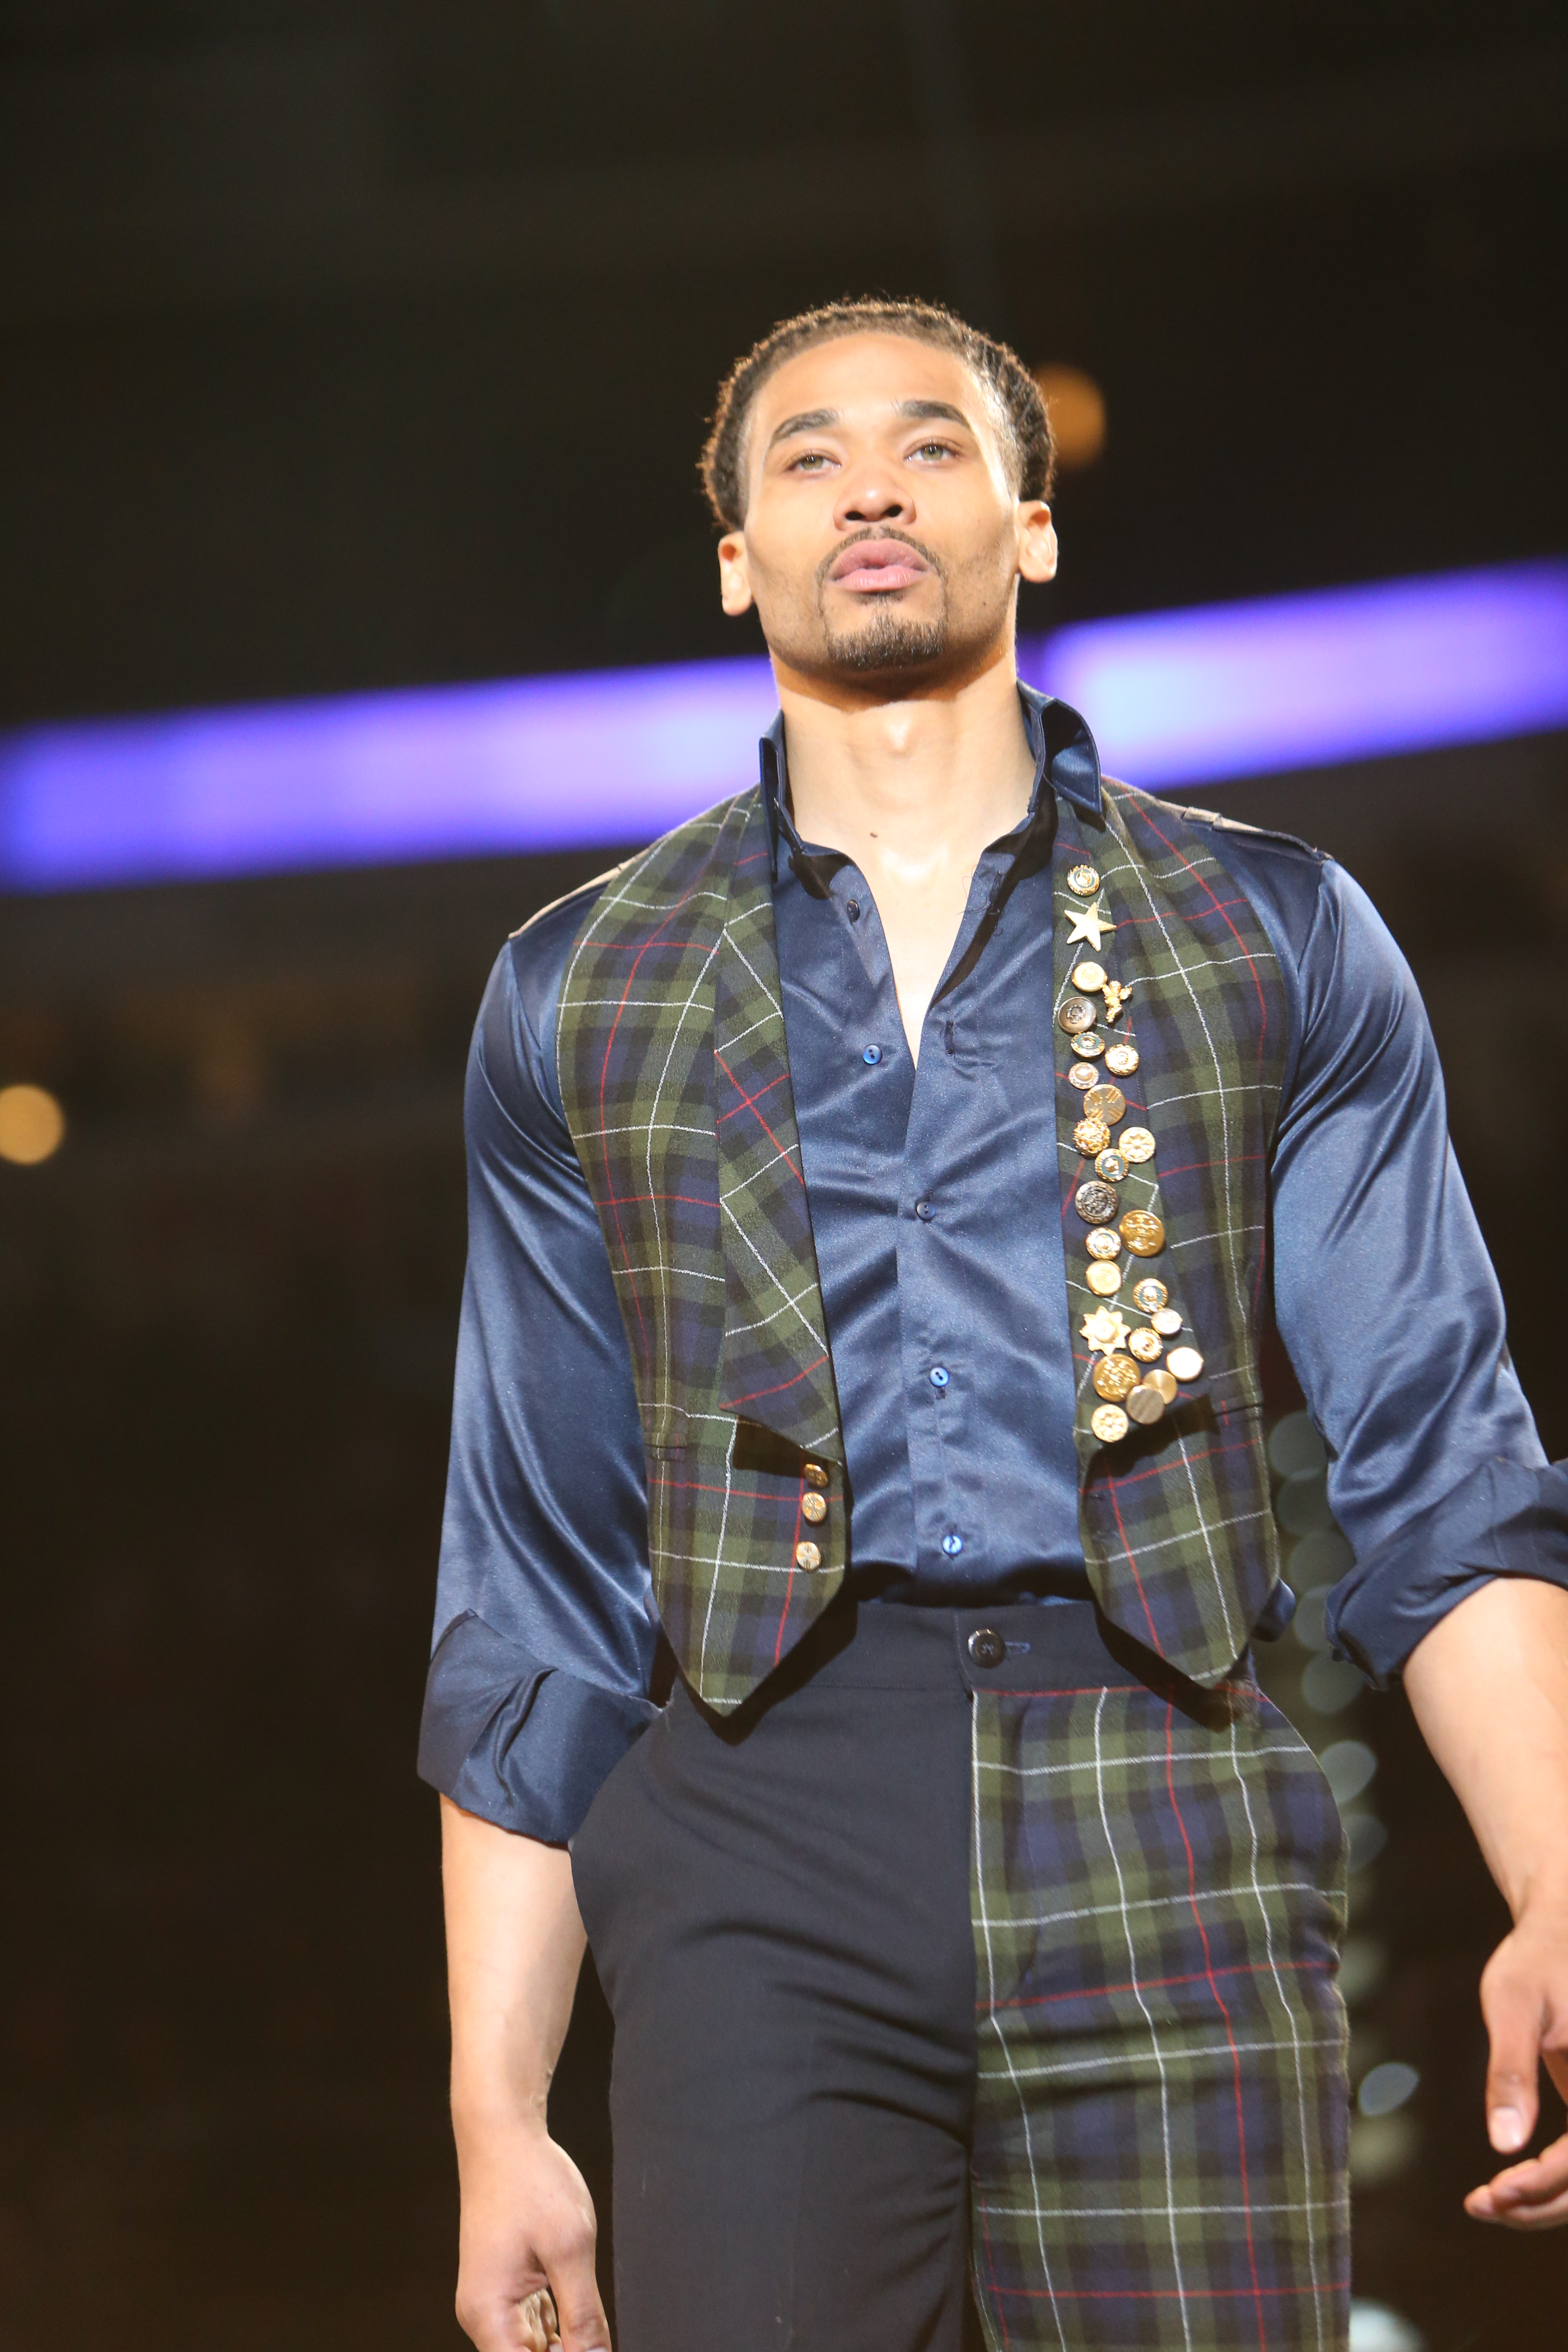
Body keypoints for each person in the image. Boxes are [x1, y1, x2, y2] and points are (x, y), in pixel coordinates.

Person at [419, 299, 1568, 2352]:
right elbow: (540, 1574)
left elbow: (1438, 1454)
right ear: (738, 558)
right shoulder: (579, 991)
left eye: (932, 445)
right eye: (809, 456)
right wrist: (496, 2108)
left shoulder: (1275, 933)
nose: (871, 485)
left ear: (1031, 524)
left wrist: (1557, 1880)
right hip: (760, 1821)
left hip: (1173, 1800)